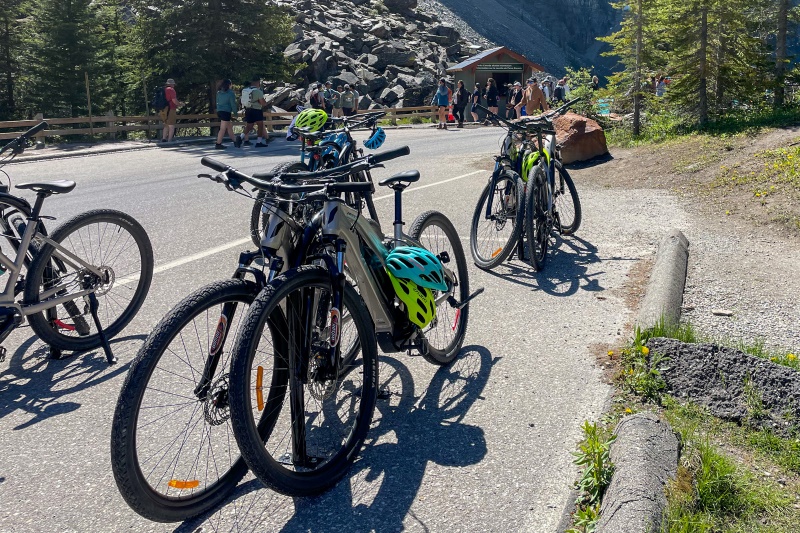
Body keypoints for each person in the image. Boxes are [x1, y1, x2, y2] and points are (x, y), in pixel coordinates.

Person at [239, 79, 269, 147]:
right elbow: (262, 103)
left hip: (248, 110)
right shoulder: (258, 91)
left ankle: (240, 137)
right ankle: (259, 142)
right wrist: (265, 104)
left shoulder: (246, 90)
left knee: (249, 126)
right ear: (258, 83)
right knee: (260, 126)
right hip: (257, 110)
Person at [214, 79, 237, 149]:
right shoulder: (230, 93)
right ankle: (218, 143)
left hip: (220, 111)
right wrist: (235, 112)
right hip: (226, 111)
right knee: (223, 129)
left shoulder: (219, 92)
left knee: (229, 127)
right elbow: (233, 104)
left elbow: (217, 102)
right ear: (229, 85)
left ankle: (235, 141)